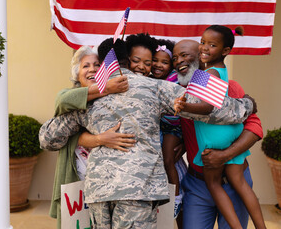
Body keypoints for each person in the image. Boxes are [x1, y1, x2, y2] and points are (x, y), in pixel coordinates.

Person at [39, 38, 256, 229]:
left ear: (105, 62)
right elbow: (206, 106)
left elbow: (47, 138)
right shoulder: (153, 87)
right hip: (138, 191)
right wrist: (246, 104)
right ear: (127, 59)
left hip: (98, 193)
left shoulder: (88, 97)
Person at [172, 39, 263, 229]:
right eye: (175, 58)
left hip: (233, 180)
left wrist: (224, 155)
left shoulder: (230, 86)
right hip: (197, 183)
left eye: (185, 55)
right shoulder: (177, 94)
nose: (178, 61)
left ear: (201, 56)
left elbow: (254, 128)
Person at [42, 45, 136, 229]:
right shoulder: (67, 97)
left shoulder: (116, 101)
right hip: (76, 185)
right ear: (77, 74)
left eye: (97, 65)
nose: (92, 69)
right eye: (86, 66)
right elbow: (50, 137)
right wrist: (99, 139)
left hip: (110, 188)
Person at [152, 38, 187, 223]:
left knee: (168, 160)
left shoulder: (175, 78)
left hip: (173, 128)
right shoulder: (151, 79)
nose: (159, 65)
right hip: (164, 126)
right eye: (155, 60)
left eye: (164, 62)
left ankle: (176, 197)